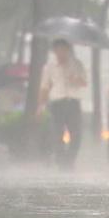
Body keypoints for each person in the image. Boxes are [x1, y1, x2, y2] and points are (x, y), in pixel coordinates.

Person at [37, 39, 87, 170]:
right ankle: (61, 162)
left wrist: (75, 79)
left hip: (73, 102)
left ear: (68, 50)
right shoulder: (49, 67)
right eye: (58, 50)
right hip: (57, 103)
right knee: (56, 134)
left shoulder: (77, 64)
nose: (61, 53)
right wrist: (40, 106)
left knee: (76, 134)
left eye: (63, 50)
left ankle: (70, 160)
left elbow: (84, 83)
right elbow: (45, 87)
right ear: (54, 51)